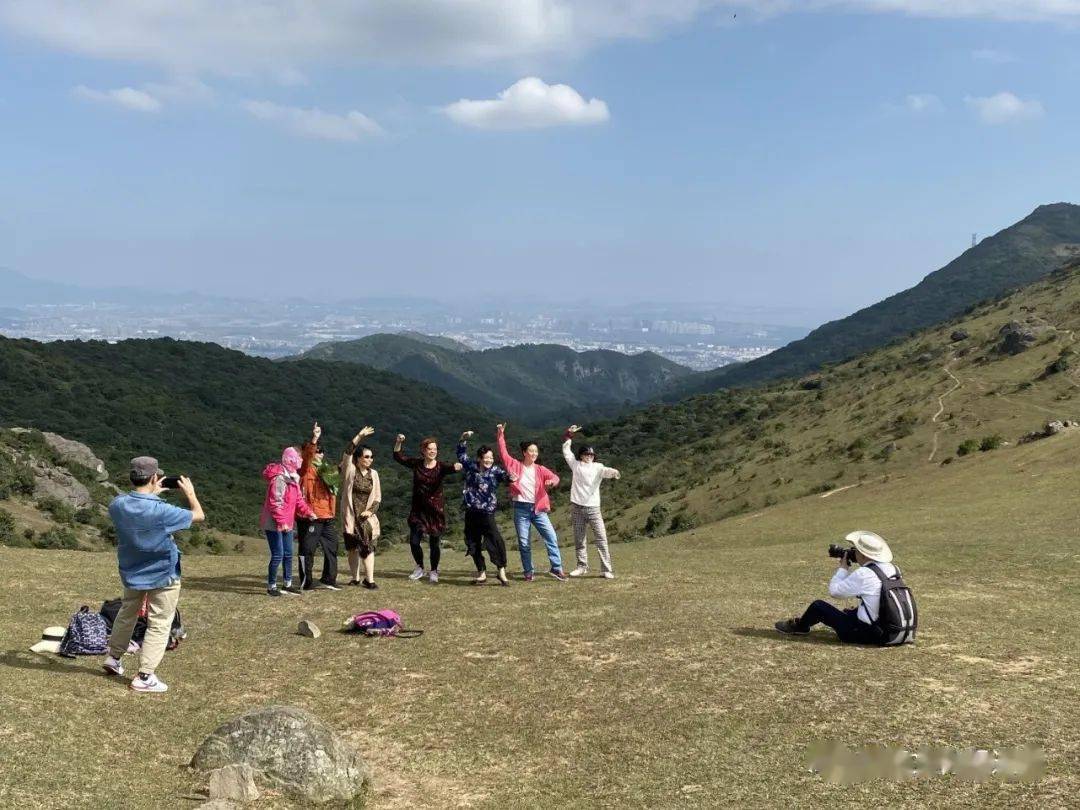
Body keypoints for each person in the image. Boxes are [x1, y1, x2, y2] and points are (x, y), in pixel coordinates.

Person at [102, 456, 204, 693]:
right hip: (162, 573)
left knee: (127, 613)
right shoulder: (162, 511)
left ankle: (113, 657)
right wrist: (190, 493)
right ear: (154, 477)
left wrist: (152, 492)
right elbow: (198, 515)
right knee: (159, 623)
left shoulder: (117, 504)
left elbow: (137, 508)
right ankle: (145, 676)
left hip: (131, 570)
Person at [774, 531, 905, 643]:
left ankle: (800, 627)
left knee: (818, 606)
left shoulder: (864, 573)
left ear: (864, 554)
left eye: (855, 550)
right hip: (895, 632)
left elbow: (834, 592)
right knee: (850, 612)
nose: (853, 552)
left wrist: (843, 568)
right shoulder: (893, 568)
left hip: (869, 634)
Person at [496, 423, 568, 582]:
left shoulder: (541, 469)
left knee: (551, 537)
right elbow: (503, 452)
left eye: (536, 451)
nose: (534, 453)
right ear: (524, 453)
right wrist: (500, 434)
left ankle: (556, 569)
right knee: (524, 542)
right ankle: (528, 571)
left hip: (539, 509)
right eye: (531, 451)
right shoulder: (514, 465)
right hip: (521, 509)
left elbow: (555, 477)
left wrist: (552, 482)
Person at [394, 433, 462, 584]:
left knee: (434, 543)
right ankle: (419, 567)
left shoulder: (441, 467)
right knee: (414, 541)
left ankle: (434, 570)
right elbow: (398, 456)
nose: (433, 451)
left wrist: (457, 466)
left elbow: (452, 467)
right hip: (418, 511)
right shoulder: (417, 464)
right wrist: (399, 442)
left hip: (435, 511)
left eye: (435, 449)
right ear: (423, 451)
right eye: (429, 449)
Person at [562, 425, 621, 579]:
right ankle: (582, 566)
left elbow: (605, 471)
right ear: (581, 455)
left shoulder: (598, 466)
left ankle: (606, 569)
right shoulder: (575, 465)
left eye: (591, 454)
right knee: (579, 538)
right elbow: (566, 452)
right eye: (586, 454)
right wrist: (569, 435)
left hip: (593, 508)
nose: (589, 456)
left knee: (601, 538)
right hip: (577, 507)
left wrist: (614, 472)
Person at [456, 430, 513, 586]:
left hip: (487, 512)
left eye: (491, 458)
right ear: (480, 458)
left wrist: (511, 478)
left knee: (495, 539)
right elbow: (461, 455)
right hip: (471, 511)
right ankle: (481, 572)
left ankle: (501, 571)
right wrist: (463, 439)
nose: (489, 460)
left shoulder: (495, 471)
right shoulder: (471, 467)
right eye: (486, 458)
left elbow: (505, 477)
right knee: (472, 541)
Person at [260, 446, 316, 597]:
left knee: (288, 553)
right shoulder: (279, 478)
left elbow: (298, 500)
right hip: (273, 523)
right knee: (278, 554)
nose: (301, 460)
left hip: (287, 522)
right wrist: (281, 522)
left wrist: (309, 512)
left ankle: (288, 584)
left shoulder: (293, 477)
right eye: (298, 457)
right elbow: (275, 502)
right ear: (291, 459)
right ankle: (271, 586)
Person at [297, 422, 341, 591]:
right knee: (307, 549)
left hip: (327, 516)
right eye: (317, 451)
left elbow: (333, 491)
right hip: (310, 516)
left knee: (332, 547)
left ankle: (328, 579)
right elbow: (307, 456)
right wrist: (314, 438)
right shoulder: (305, 469)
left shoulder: (327, 470)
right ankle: (306, 582)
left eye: (322, 451)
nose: (320, 454)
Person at [338, 425, 380, 589]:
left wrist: (370, 511)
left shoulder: (374, 474)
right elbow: (347, 453)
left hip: (366, 517)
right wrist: (359, 436)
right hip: (350, 515)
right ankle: (355, 578)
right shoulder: (350, 470)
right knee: (352, 549)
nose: (370, 459)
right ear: (359, 458)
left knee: (368, 547)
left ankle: (369, 579)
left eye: (371, 457)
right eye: (366, 457)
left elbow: (377, 497)